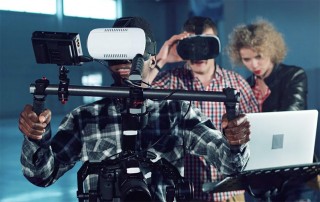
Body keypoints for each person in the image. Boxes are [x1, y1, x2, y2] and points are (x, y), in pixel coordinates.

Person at [19, 16, 251, 202]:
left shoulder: (175, 114)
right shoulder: (85, 119)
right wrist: (36, 137)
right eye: (115, 57)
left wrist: (235, 143)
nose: (122, 64)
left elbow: (230, 164)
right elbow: (41, 175)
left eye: (131, 56)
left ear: (151, 58)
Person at [151, 16, 259, 201]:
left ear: (215, 45)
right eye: (192, 43)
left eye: (205, 43)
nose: (199, 51)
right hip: (186, 193)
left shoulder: (237, 84)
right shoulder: (169, 82)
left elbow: (256, 133)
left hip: (229, 194)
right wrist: (161, 60)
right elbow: (134, 97)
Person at [227, 18, 319, 201]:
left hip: (296, 171)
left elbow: (290, 120)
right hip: (263, 178)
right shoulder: (244, 86)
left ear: (271, 51)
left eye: (259, 56)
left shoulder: (293, 75)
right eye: (247, 59)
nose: (253, 65)